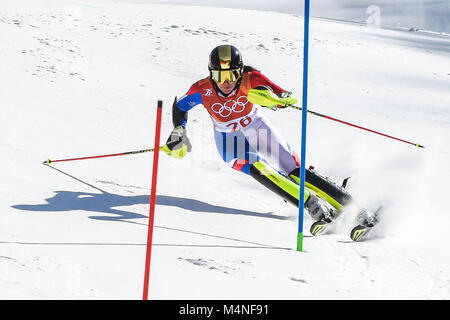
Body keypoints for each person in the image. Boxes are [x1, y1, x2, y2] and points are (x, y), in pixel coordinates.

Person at [161, 44, 350, 224]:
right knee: (258, 168)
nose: (226, 82)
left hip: (256, 126)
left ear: (240, 71)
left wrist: (276, 100)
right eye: (219, 76)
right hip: (229, 140)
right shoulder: (202, 89)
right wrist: (179, 130)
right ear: (211, 74)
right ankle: (312, 204)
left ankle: (346, 202)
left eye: (232, 74)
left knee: (291, 166)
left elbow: (286, 95)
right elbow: (180, 107)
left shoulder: (250, 79)